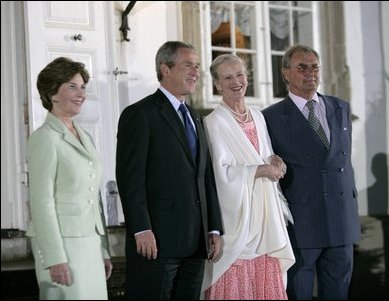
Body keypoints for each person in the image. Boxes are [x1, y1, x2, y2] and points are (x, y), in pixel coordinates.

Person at [115, 41, 224, 300]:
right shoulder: (140, 114)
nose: (196, 72)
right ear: (165, 69)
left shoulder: (196, 117)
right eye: (188, 65)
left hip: (196, 242)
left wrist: (214, 228)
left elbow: (205, 177)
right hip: (157, 243)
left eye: (197, 66)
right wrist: (141, 228)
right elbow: (131, 179)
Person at [262, 44, 361, 300]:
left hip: (341, 220)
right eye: (302, 67)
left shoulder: (340, 108)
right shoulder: (270, 117)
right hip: (301, 222)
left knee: (338, 292)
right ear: (285, 73)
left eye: (314, 66)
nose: (310, 72)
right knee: (299, 292)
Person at [202, 54, 295, 300]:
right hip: (237, 219)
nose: (236, 82)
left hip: (264, 217)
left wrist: (274, 160)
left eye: (240, 74)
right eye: (228, 77)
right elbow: (218, 174)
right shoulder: (213, 122)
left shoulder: (258, 116)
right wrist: (261, 171)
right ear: (217, 84)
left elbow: (263, 154)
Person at [26, 57, 113, 300]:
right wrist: (55, 258)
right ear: (53, 93)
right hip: (61, 244)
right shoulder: (44, 138)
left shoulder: (84, 135)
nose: (81, 93)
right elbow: (41, 203)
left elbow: (93, 198)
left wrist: (103, 248)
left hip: (90, 244)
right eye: (72, 86)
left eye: (83, 87)